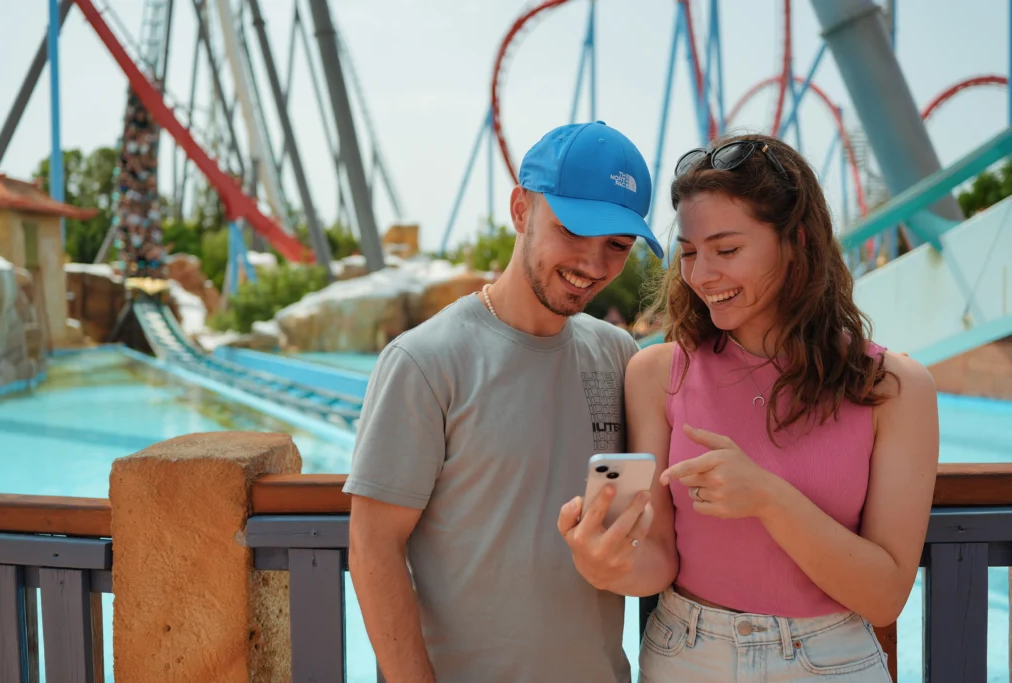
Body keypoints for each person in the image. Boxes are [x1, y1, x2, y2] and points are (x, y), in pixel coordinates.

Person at [558, 133, 940, 682]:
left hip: (832, 661)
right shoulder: (656, 373)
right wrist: (604, 561)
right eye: (689, 253)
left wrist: (765, 496)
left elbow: (884, 597)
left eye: (727, 249)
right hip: (686, 653)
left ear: (797, 241)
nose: (702, 275)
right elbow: (659, 555)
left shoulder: (896, 387)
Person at [343, 120, 666, 683]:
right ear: (521, 210)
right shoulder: (424, 361)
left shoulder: (617, 353)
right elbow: (373, 547)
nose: (594, 264)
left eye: (617, 244)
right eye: (572, 230)